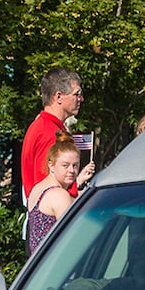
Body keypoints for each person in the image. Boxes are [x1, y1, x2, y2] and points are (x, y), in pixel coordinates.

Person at [20, 67, 94, 199]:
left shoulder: (43, 127)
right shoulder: (49, 134)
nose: (81, 99)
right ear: (59, 96)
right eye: (76, 94)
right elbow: (47, 193)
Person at [25, 133, 81, 255]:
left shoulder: (38, 188)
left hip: (38, 266)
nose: (71, 170)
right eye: (65, 165)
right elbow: (70, 239)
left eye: (75, 165)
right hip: (54, 266)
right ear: (51, 165)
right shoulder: (59, 195)